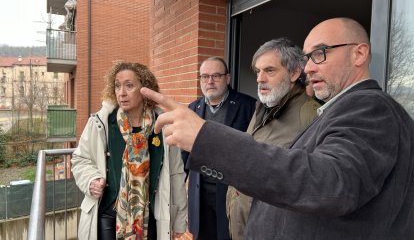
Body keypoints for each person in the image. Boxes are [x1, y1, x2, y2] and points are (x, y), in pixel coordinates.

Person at [140, 17, 414, 239]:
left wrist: (207, 138)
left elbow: (328, 183)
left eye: (319, 54)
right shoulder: (326, 110)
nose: (308, 68)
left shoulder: (370, 109)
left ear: (359, 53)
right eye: (307, 58)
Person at [71, 61, 187, 240]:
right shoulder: (101, 122)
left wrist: (179, 220)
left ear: (144, 89)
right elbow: (80, 159)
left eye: (129, 85)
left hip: (151, 219)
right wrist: (91, 179)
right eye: (117, 86)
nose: (121, 93)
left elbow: (176, 175)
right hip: (108, 217)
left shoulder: (163, 125)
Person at [226, 38, 320, 240]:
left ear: (295, 73)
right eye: (258, 71)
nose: (260, 78)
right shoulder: (263, 108)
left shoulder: (310, 116)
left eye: (269, 71)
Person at [182, 56, 256, 240]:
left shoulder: (248, 106)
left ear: (228, 78)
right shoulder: (192, 109)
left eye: (216, 76)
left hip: (232, 193)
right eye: (205, 76)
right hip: (200, 194)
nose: (210, 81)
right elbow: (184, 153)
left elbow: (255, 151)